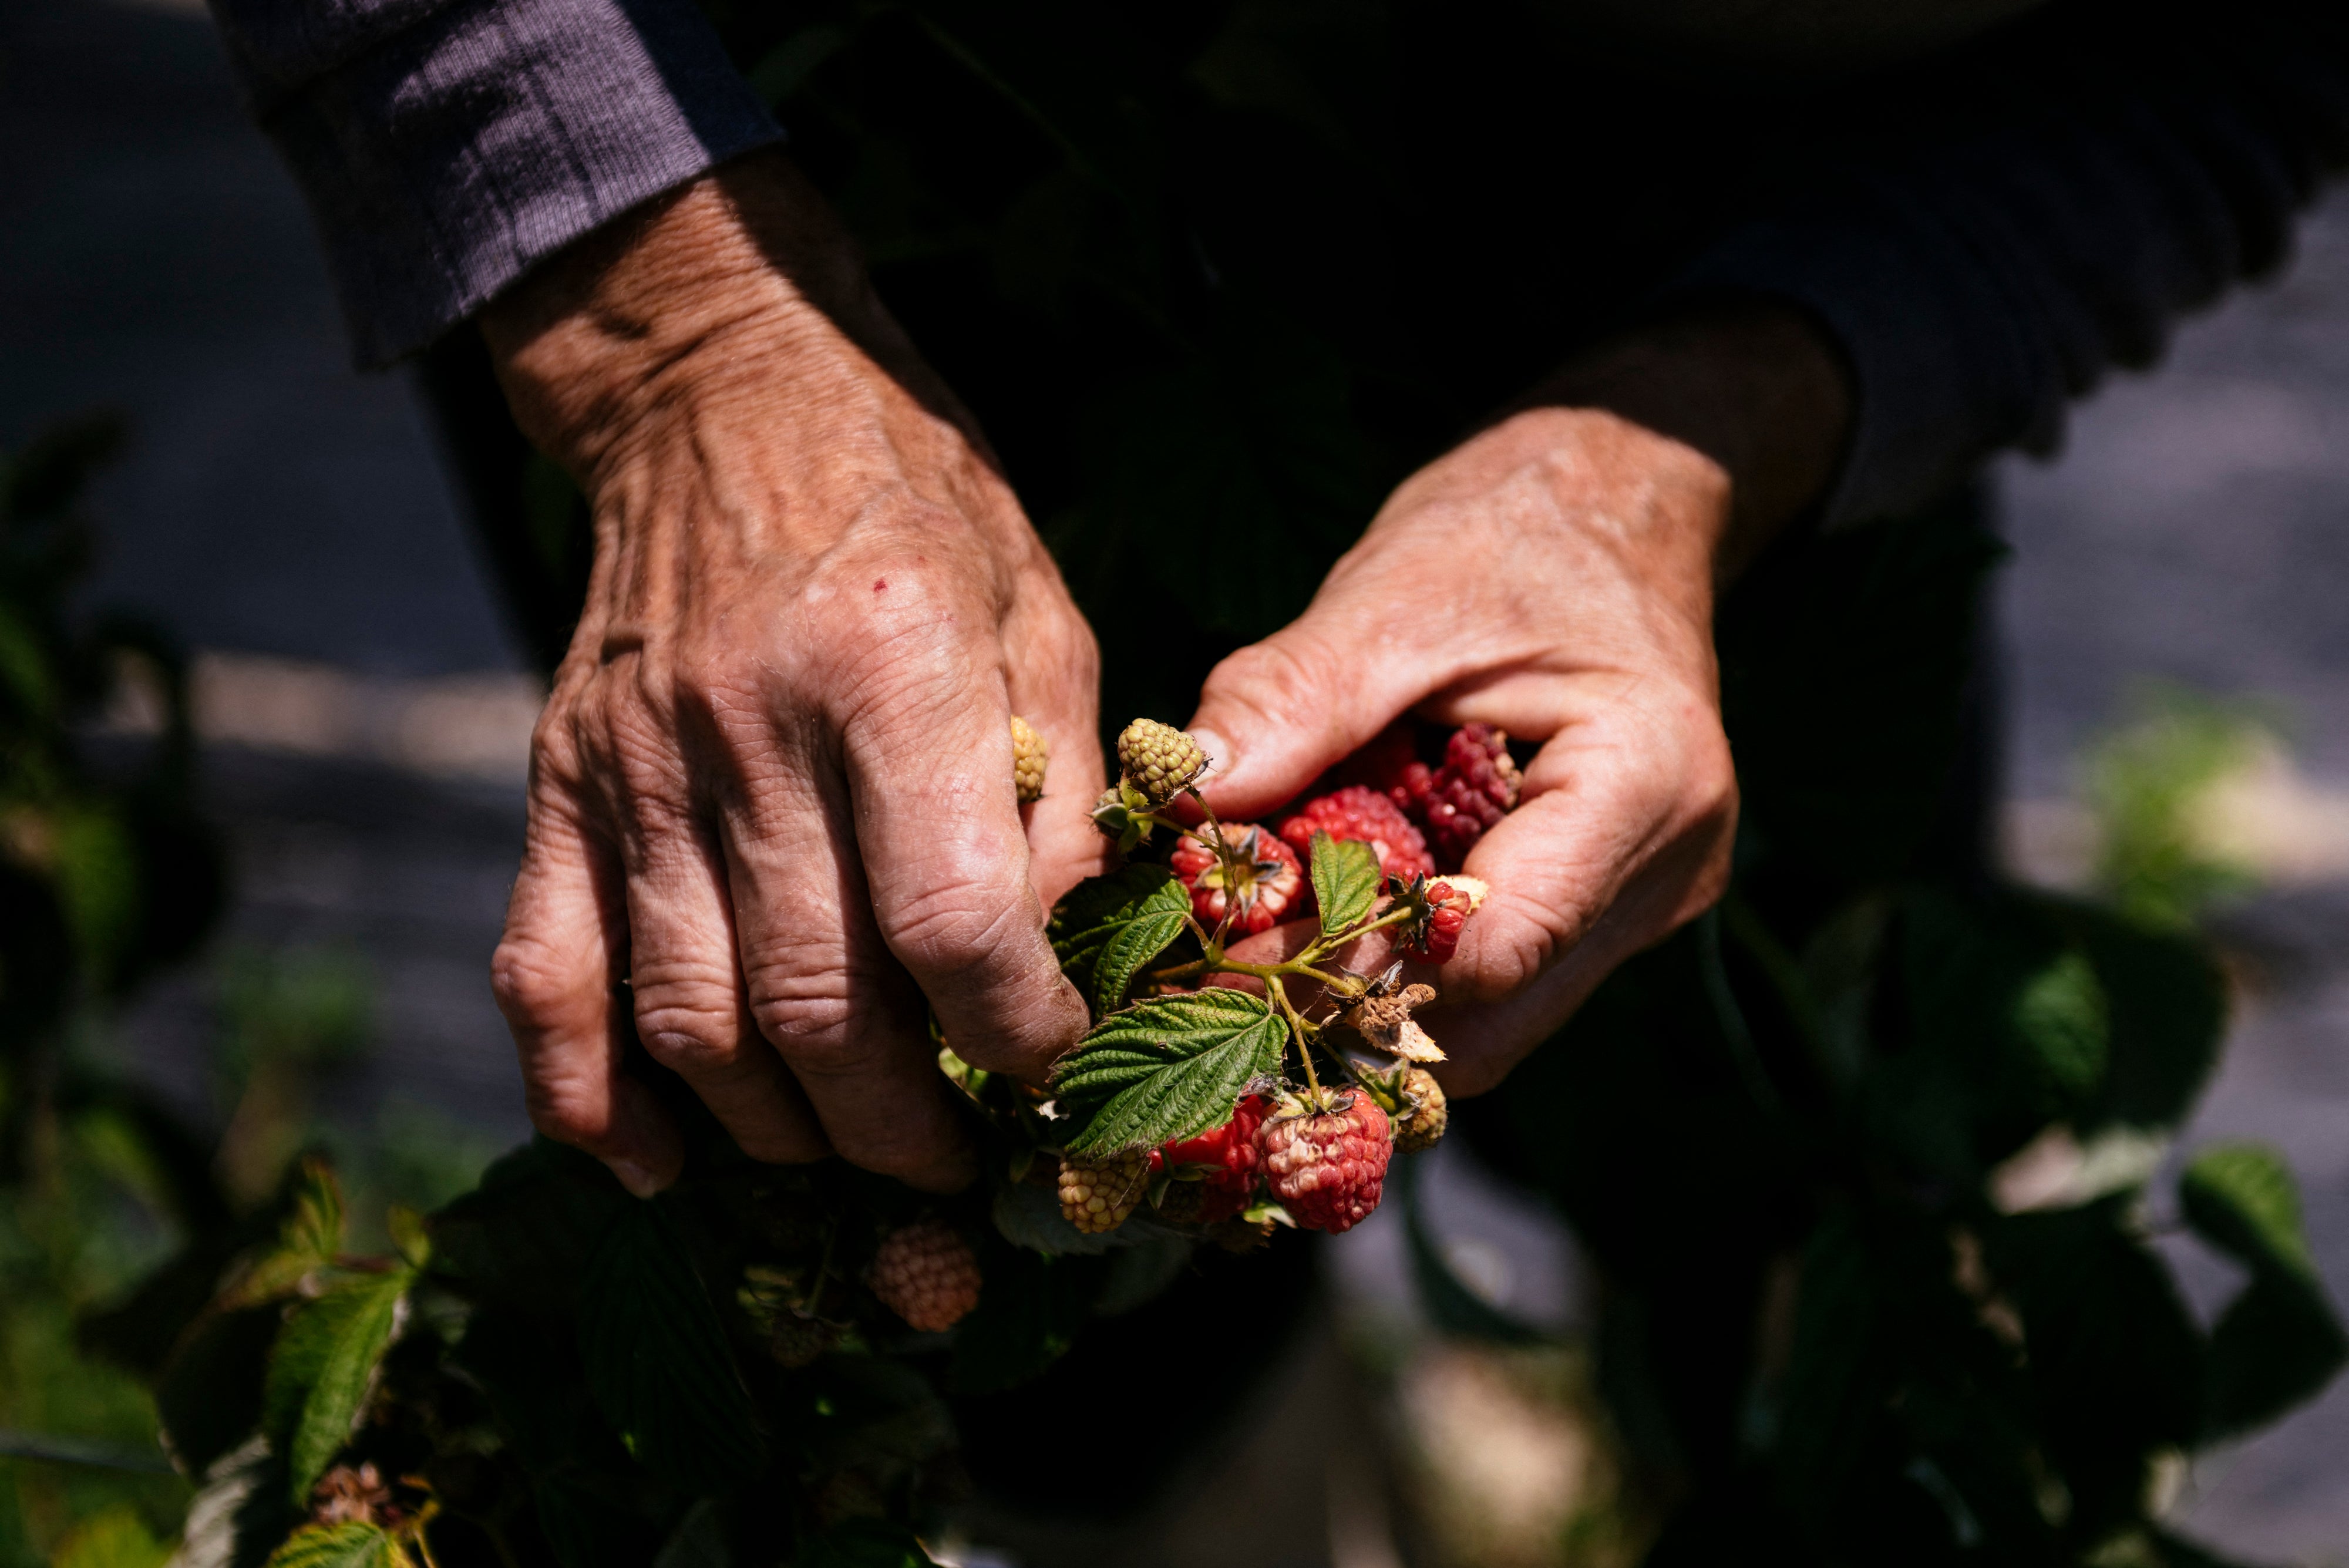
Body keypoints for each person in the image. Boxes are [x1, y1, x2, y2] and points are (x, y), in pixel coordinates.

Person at [203, 0, 2349, 1204]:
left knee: (1810, 1131)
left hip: (1781, 212)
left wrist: (1684, 450)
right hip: (834, 131)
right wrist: (675, 344)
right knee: (875, 1093)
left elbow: (2257, 45)